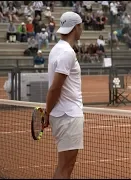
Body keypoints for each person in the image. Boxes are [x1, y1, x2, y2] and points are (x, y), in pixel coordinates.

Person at [44, 12, 84, 179]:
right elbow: (55, 88)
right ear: (76, 28)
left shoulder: (56, 49)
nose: (81, 29)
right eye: (81, 26)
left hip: (61, 115)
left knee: (63, 167)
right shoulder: (67, 52)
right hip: (68, 116)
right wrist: (47, 112)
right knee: (65, 169)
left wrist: (49, 113)